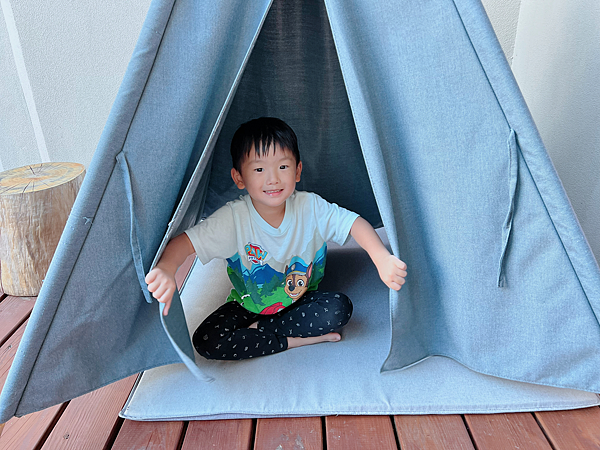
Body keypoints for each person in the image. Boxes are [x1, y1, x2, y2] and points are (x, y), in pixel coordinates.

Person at [145, 117, 407, 360]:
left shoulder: (310, 207)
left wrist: (381, 257)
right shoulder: (233, 219)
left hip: (300, 299)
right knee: (206, 341)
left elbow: (354, 224)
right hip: (248, 303)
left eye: (283, 166)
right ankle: (294, 341)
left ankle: (265, 330)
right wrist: (167, 268)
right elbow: (184, 243)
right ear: (239, 177)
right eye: (259, 169)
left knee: (338, 309)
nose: (272, 179)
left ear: (297, 171)